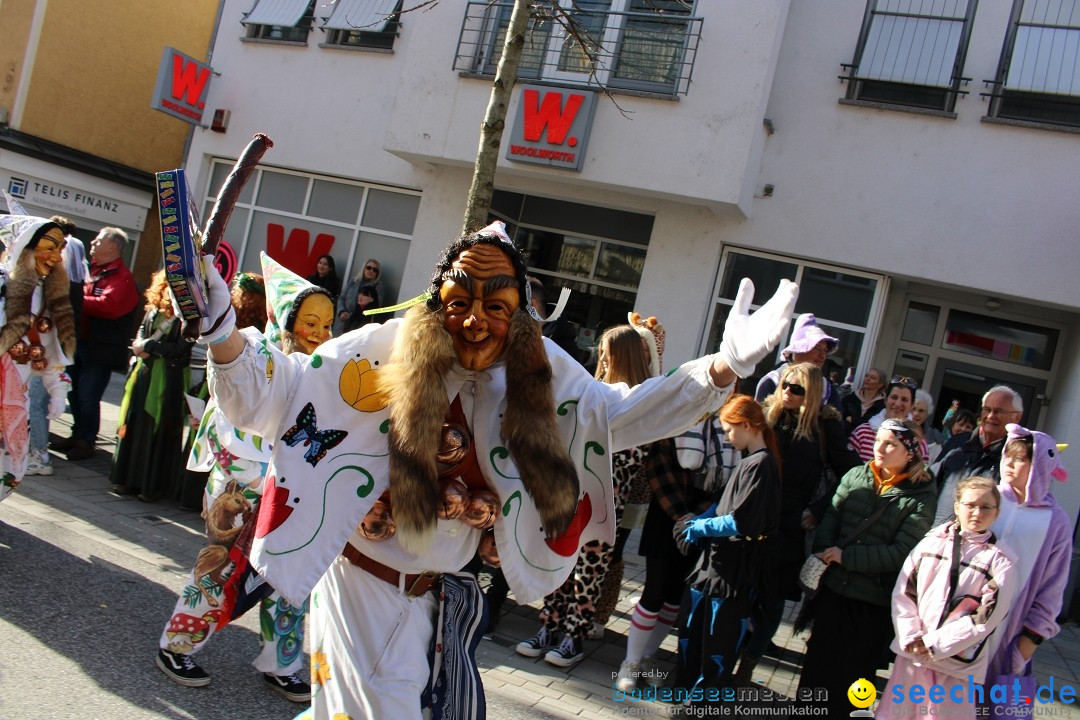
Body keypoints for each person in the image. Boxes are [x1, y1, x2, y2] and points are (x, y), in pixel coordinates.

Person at [193, 219, 798, 719]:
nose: (475, 321)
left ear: (520, 314)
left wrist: (723, 367)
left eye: (496, 305)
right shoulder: (376, 351)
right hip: (362, 587)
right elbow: (273, 394)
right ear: (436, 304)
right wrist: (222, 332)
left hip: (442, 599)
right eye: (460, 303)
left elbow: (622, 415)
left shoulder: (541, 373)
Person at [156, 256, 331, 702]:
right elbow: (233, 428)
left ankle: (282, 661)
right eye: (310, 322)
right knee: (220, 569)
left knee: (291, 579)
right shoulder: (255, 358)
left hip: (290, 496)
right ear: (286, 319)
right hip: (241, 491)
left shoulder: (320, 370)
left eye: (328, 324)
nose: (320, 333)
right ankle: (177, 644)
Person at [515, 316, 664, 667]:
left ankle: (574, 636)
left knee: (591, 568)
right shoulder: (588, 388)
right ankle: (549, 627)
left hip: (605, 499)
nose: (603, 358)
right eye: (601, 351)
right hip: (570, 492)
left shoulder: (638, 399)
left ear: (624, 355)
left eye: (608, 352)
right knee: (561, 558)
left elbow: (634, 455)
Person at [797, 419, 936, 718]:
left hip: (873, 603)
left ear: (910, 452)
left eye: (891, 444)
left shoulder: (921, 495)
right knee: (817, 669)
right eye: (878, 440)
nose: (880, 448)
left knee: (854, 681)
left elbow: (902, 552)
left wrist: (847, 558)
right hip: (834, 592)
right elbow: (831, 520)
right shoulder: (856, 475)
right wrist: (825, 552)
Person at [738, 362, 859, 683]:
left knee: (772, 599)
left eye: (797, 388)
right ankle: (725, 657)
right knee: (740, 590)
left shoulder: (825, 425)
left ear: (813, 393)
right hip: (755, 514)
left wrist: (818, 510)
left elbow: (849, 472)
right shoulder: (767, 415)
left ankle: (748, 664)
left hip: (790, 524)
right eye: (785, 385)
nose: (787, 392)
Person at [875, 476, 1016, 720]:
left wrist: (935, 644)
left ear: (997, 513)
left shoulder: (1000, 561)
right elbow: (904, 591)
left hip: (956, 665)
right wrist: (911, 635)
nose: (976, 512)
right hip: (913, 655)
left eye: (985, 507)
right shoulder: (930, 543)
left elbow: (986, 617)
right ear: (957, 507)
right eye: (970, 505)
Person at [674, 394, 781, 698]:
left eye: (729, 429)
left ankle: (702, 706)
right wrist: (699, 518)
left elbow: (741, 521)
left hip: (733, 574)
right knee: (692, 636)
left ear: (747, 425)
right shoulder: (748, 461)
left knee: (717, 645)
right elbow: (722, 505)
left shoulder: (762, 464)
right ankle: (685, 697)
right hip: (711, 567)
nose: (726, 436)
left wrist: (701, 527)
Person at [984, 424, 1070, 707]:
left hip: (1010, 638)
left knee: (993, 710)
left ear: (1041, 464)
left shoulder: (1055, 521)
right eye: (1008, 454)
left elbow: (1053, 586)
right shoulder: (986, 498)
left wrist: (1029, 641)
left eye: (1021, 458)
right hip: (963, 627)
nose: (1009, 462)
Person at [0, 211, 76, 500]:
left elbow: (51, 349)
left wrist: (57, 390)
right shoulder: (3, 284)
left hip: (16, 396)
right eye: (47, 248)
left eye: (57, 250)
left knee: (10, 467)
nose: (54, 258)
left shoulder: (50, 297)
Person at [53, 227, 139, 461]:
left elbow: (109, 306)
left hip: (98, 348)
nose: (93, 242)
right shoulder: (91, 269)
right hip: (79, 341)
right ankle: (78, 434)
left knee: (88, 395)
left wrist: (76, 299)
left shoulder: (122, 277)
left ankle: (86, 440)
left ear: (113, 246)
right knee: (74, 392)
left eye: (99, 240)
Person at [109, 270, 193, 500]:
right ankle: (126, 479)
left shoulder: (188, 315)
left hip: (167, 379)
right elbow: (141, 331)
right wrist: (140, 344)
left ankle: (151, 486)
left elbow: (180, 350)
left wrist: (147, 346)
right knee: (134, 423)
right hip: (144, 375)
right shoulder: (154, 308)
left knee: (158, 430)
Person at [932, 385, 1023, 524]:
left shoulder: (1014, 459)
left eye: (998, 411)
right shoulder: (957, 443)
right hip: (936, 537)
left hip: (979, 543)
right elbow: (929, 485)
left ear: (1016, 417)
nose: (990, 416)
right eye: (987, 410)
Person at [754, 313, 842, 411]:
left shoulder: (827, 390)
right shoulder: (772, 381)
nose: (823, 356)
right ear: (798, 350)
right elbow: (756, 423)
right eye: (817, 348)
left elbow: (836, 423)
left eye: (825, 350)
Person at [848, 376, 928, 463]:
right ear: (886, 399)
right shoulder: (861, 433)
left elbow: (920, 474)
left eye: (904, 400)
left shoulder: (918, 442)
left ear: (912, 405)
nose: (897, 404)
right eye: (894, 397)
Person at [335, 257, 381, 335]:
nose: (371, 271)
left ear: (377, 273)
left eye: (375, 270)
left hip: (360, 323)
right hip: (342, 321)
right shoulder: (354, 281)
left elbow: (376, 306)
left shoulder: (378, 287)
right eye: (369, 268)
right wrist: (341, 312)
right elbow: (342, 298)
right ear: (364, 268)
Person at [841, 366, 886, 432]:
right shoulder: (849, 399)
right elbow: (840, 419)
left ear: (880, 384)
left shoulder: (883, 406)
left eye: (872, 378)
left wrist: (854, 420)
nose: (867, 379)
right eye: (866, 376)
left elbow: (874, 426)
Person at [912, 389, 946, 463]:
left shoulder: (935, 441)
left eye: (921, 411)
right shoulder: (896, 429)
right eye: (913, 408)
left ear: (927, 414)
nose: (916, 414)